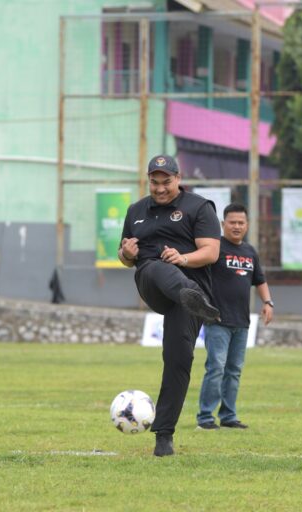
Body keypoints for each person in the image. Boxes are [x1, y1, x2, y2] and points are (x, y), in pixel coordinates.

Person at [119, 154, 221, 457]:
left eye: (166, 182)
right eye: (155, 182)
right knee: (154, 265)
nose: (160, 188)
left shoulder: (199, 207)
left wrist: (183, 258)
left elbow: (212, 252)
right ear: (148, 180)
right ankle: (192, 294)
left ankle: (164, 436)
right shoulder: (136, 211)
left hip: (189, 296)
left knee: (179, 359)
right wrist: (127, 253)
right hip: (152, 282)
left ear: (178, 179)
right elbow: (125, 258)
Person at [196, 203, 273, 430]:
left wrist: (268, 302)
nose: (237, 226)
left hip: (242, 322)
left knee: (234, 371)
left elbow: (260, 280)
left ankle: (228, 416)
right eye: (232, 222)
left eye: (241, 222)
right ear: (223, 224)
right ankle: (205, 417)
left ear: (247, 225)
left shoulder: (250, 252)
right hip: (217, 320)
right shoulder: (215, 248)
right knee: (216, 368)